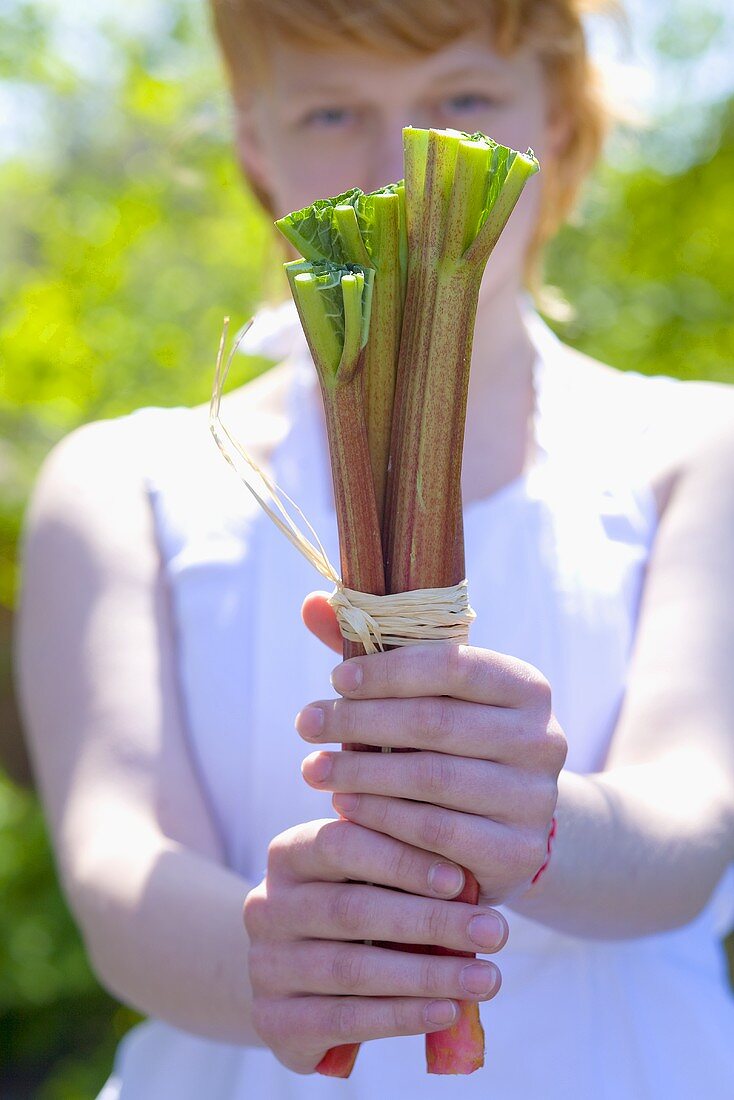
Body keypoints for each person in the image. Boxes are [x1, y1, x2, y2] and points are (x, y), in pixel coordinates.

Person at [15, 0, 734, 1096]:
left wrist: (542, 821)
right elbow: (119, 864)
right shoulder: (125, 484)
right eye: (330, 109)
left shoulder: (697, 453)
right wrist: (265, 960)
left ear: (562, 120)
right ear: (255, 143)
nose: (397, 167)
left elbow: (691, 824)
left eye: (462, 101)